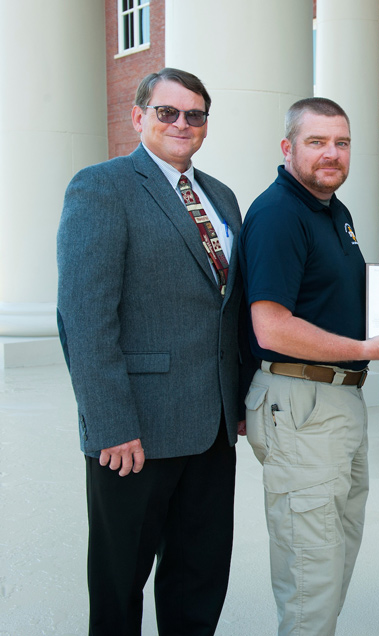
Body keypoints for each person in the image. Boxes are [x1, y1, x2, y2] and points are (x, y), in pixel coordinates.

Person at [56, 68, 244, 634]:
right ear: (139, 117)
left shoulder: (222, 196)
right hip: (134, 431)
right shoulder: (102, 186)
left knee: (199, 574)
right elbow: (85, 319)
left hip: (211, 429)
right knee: (120, 583)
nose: (182, 124)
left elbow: (225, 309)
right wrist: (110, 423)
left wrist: (233, 403)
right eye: (168, 112)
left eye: (195, 114)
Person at [239, 97, 379, 636]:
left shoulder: (334, 211)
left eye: (341, 142)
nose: (331, 153)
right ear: (288, 148)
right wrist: (366, 350)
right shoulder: (278, 214)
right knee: (310, 572)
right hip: (302, 402)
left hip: (337, 402)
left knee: (335, 553)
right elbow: (272, 327)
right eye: (317, 142)